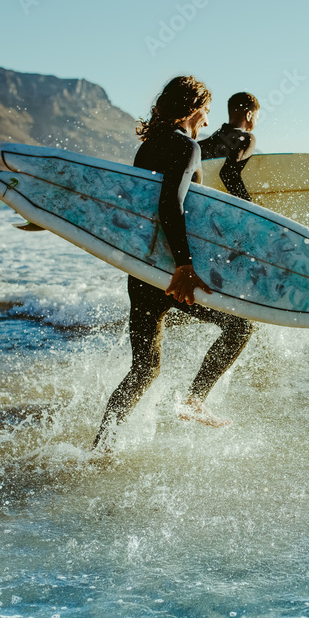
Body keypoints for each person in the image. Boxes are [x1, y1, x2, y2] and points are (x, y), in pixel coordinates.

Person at [94, 76, 254, 448]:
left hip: (144, 269)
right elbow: (171, 204)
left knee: (144, 369)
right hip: (172, 270)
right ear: (194, 108)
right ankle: (195, 400)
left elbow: (141, 207)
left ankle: (101, 448)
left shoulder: (148, 147)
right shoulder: (186, 147)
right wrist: (184, 266)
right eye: (207, 113)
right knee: (239, 328)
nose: (206, 121)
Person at [197, 92, 260, 202]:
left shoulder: (203, 144)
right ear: (249, 115)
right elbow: (228, 173)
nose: (256, 122)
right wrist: (249, 205)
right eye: (257, 118)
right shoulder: (247, 138)